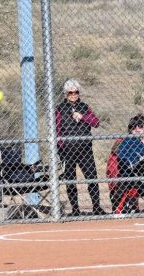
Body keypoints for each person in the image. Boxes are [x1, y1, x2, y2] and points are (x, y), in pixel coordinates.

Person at [55, 79, 107, 216]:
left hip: (85, 150)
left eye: (76, 92)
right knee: (70, 181)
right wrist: (61, 148)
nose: (73, 95)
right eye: (70, 93)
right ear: (66, 94)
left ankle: (96, 207)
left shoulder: (84, 107)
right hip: (68, 151)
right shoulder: (59, 109)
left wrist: (83, 117)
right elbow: (57, 129)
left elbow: (95, 123)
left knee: (92, 178)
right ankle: (75, 210)